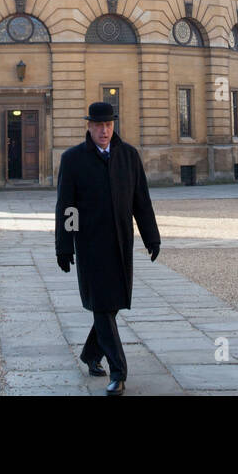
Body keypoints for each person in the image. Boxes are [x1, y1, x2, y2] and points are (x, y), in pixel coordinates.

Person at [55, 101, 161, 396]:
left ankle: (91, 354)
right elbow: (68, 207)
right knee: (102, 305)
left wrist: (152, 237)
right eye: (98, 126)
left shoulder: (129, 156)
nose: (104, 131)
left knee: (110, 306)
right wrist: (64, 246)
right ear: (88, 126)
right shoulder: (73, 159)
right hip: (89, 246)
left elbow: (141, 201)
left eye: (108, 125)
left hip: (120, 243)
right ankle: (118, 371)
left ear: (114, 125)